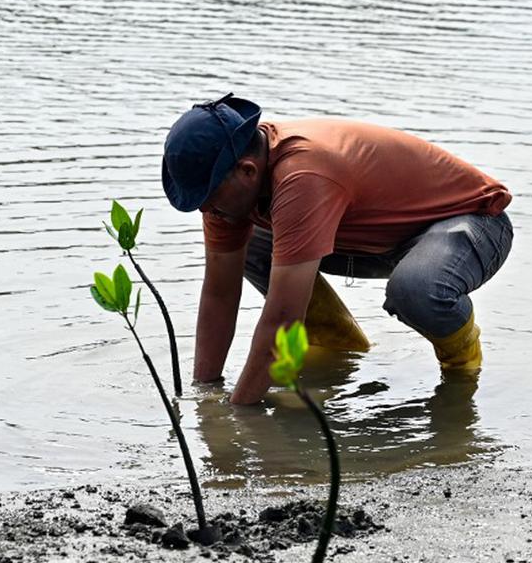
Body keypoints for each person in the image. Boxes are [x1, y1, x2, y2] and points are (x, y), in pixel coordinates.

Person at [161, 94, 514, 405]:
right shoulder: (230, 184)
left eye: (207, 200)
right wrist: (205, 392)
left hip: (472, 223)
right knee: (252, 240)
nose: (206, 211)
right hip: (371, 241)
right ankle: (339, 348)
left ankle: (462, 375)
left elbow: (283, 318)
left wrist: (238, 417)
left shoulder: (303, 176)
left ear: (248, 171)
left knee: (415, 290)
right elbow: (220, 293)